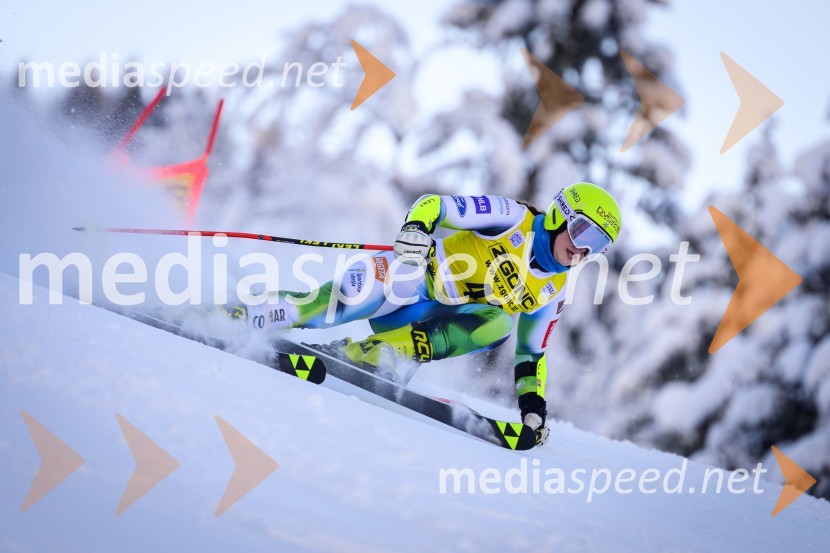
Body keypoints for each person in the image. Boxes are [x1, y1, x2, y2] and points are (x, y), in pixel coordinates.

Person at [234, 182, 621, 446]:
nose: (583, 251)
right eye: (583, 233)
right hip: (408, 280)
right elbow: (435, 205)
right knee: (332, 305)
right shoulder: (510, 218)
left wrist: (533, 408)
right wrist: (418, 228)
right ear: (560, 215)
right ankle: (242, 314)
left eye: (598, 245)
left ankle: (382, 354)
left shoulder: (554, 292)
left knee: (499, 323)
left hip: (422, 324)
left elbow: (530, 355)